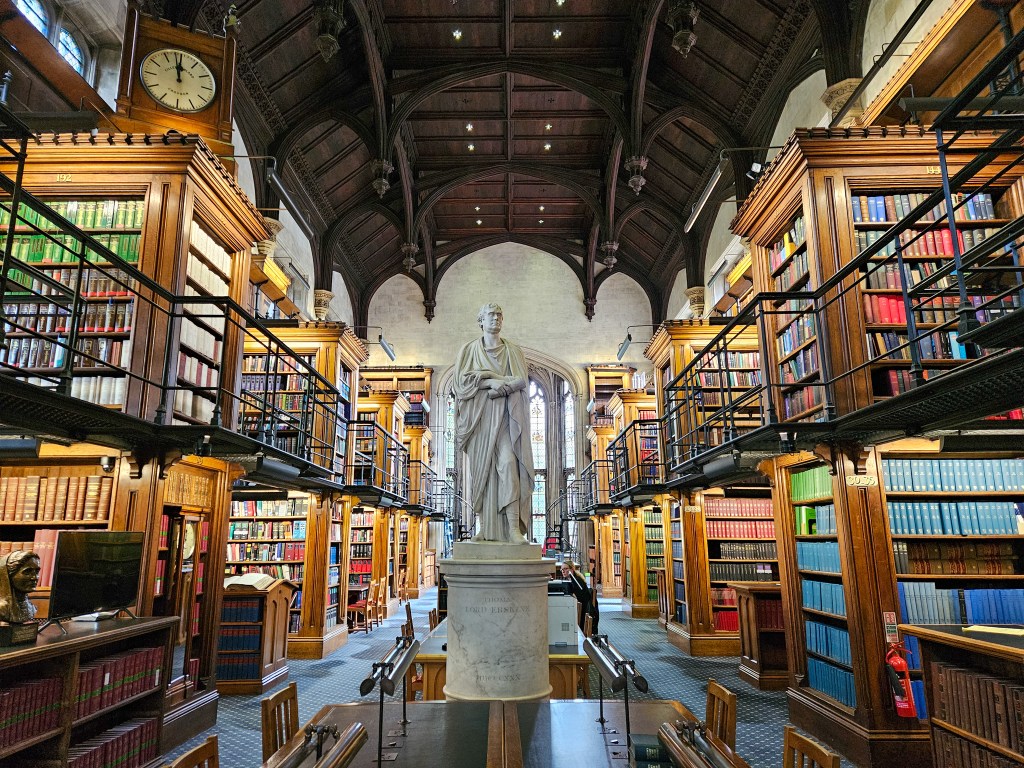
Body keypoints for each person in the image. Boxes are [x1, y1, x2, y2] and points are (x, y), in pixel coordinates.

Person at [453, 303, 534, 544]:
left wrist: (493, 380)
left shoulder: (513, 351)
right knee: (483, 474)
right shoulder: (468, 351)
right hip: (479, 420)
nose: (496, 319)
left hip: (507, 419)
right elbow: (461, 385)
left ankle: (513, 530)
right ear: (481, 320)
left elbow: (521, 381)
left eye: (499, 315)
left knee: (508, 466)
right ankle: (485, 530)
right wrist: (491, 383)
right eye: (491, 315)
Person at [0, 550, 41, 623]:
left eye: (37, 572)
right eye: (27, 572)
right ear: (9, 575)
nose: (35, 577)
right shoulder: (2, 609)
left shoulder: (31, 607)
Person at [560, 559, 599, 635]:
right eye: (562, 569)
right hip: (581, 608)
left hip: (584, 611)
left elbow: (579, 599)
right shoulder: (572, 579)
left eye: (566, 569)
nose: (563, 571)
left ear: (572, 569)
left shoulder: (577, 580)